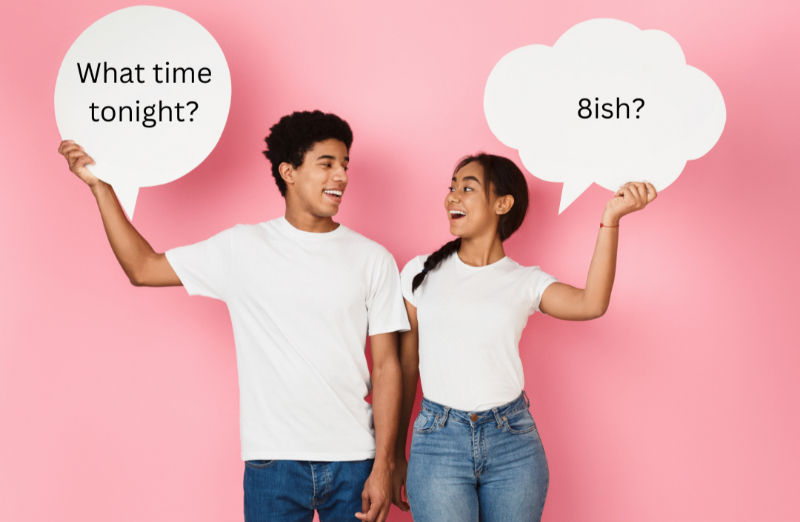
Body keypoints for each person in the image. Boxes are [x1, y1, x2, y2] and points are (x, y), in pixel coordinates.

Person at [58, 110, 409, 522]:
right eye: (327, 164)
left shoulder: (373, 259)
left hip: (353, 460)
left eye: (345, 165)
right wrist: (101, 189)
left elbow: (387, 368)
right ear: (289, 172)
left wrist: (384, 466)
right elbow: (142, 267)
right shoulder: (242, 249)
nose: (342, 177)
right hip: (272, 463)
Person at [390, 153, 656, 522]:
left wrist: (610, 220)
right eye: (451, 188)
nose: (452, 197)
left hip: (512, 440)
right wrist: (393, 454)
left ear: (503, 203)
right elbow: (406, 366)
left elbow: (591, 303)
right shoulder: (420, 273)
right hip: (438, 441)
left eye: (467, 188)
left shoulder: (525, 281)